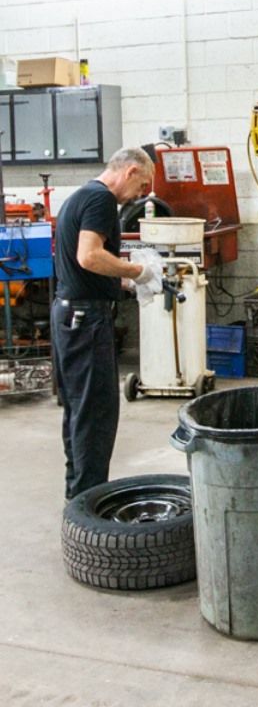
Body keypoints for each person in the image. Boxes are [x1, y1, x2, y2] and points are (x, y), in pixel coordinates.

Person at [52, 147, 161, 501]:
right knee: (96, 414)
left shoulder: (79, 196)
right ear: (129, 171)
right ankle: (89, 505)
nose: (142, 194)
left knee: (80, 411)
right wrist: (138, 270)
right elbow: (89, 256)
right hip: (86, 320)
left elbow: (79, 265)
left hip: (70, 314)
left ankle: (78, 497)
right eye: (142, 184)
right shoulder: (101, 200)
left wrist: (125, 284)